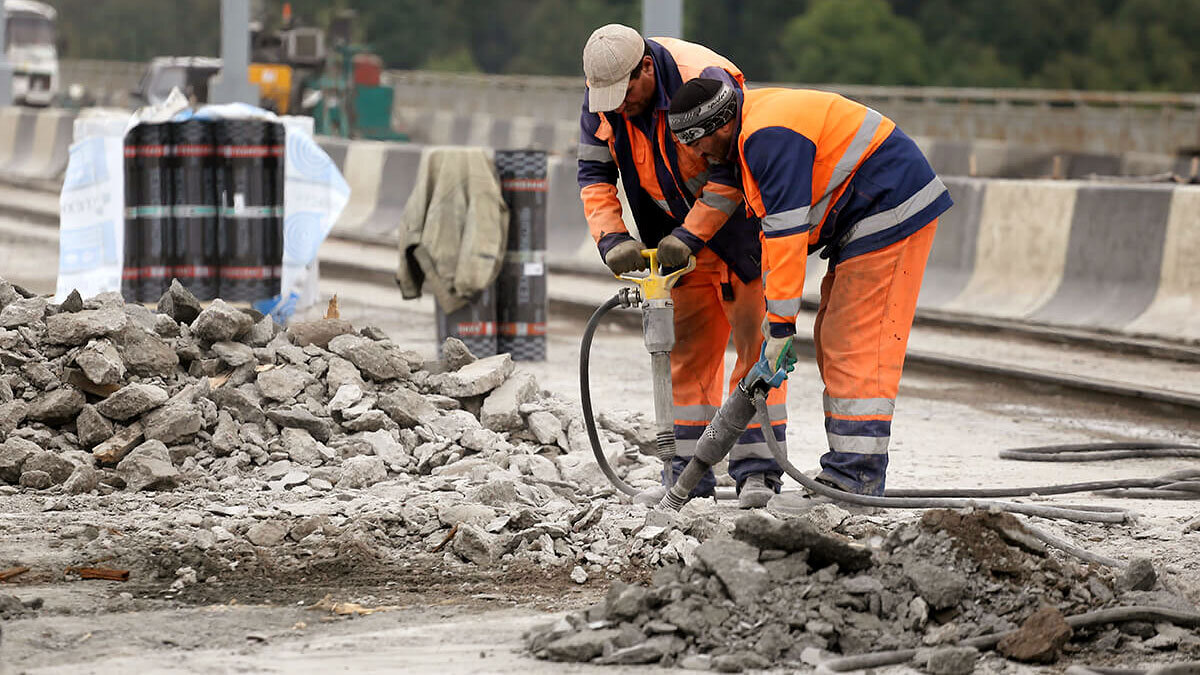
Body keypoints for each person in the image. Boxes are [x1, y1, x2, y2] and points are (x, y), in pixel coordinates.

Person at [667, 78, 953, 496]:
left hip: (890, 206)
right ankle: (848, 474)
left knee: (857, 342)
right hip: (864, 211)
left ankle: (854, 480)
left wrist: (779, 329)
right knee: (832, 338)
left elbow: (785, 240)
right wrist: (687, 239)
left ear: (722, 124)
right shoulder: (746, 133)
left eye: (699, 141)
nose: (697, 154)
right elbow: (736, 200)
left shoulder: (768, 138)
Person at [578, 24, 788, 507]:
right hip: (673, 245)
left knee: (758, 354)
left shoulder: (702, 78)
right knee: (688, 357)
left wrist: (689, 236)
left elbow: (732, 166)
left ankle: (758, 471)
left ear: (646, 68)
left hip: (739, 235)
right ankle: (688, 478)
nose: (616, 107)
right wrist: (611, 238)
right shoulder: (599, 98)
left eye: (624, 95)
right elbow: (594, 175)